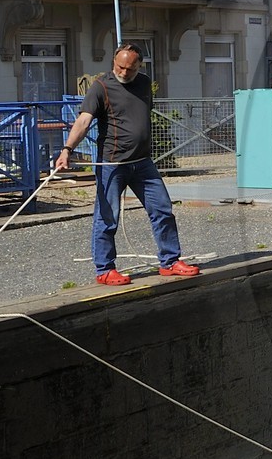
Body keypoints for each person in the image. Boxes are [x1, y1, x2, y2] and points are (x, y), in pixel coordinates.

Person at [55, 44, 201, 287]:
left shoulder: (143, 84)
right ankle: (104, 269)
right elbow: (83, 121)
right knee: (107, 217)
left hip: (142, 163)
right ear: (114, 62)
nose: (124, 72)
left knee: (162, 210)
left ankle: (170, 262)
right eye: (120, 67)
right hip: (112, 163)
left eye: (130, 68)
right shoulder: (100, 87)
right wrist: (67, 150)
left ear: (139, 66)